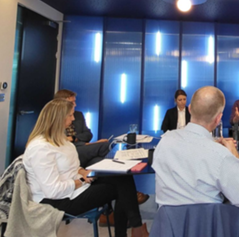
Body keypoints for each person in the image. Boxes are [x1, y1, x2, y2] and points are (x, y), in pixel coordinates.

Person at [152, 86, 239, 237]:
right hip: (207, 227)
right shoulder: (221, 155)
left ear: (189, 109)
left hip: (169, 227)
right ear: (218, 118)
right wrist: (235, 157)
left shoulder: (165, 142)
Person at [22, 99, 149, 237]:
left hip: (74, 189)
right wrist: (82, 181)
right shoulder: (40, 148)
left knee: (122, 177)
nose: (73, 118)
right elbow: (53, 191)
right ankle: (134, 229)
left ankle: (133, 229)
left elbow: (73, 167)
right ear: (59, 118)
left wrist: (83, 172)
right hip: (59, 201)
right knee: (122, 188)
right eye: (70, 115)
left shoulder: (61, 141)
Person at [54, 89, 149, 206]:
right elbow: (62, 143)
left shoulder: (78, 115)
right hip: (73, 153)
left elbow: (88, 134)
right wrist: (85, 144)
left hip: (82, 148)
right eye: (72, 102)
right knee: (104, 146)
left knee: (105, 166)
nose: (75, 105)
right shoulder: (54, 121)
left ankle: (110, 213)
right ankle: (128, 168)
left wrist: (75, 139)